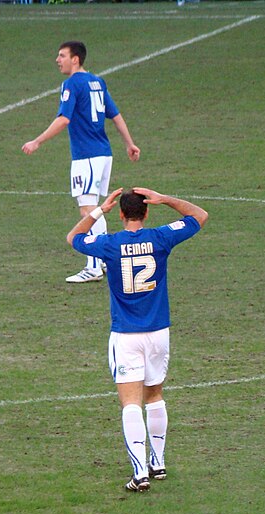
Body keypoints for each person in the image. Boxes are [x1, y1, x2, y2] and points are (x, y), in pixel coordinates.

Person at [67, 187, 207, 492]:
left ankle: (139, 471)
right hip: (159, 332)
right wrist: (166, 198)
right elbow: (199, 216)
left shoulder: (109, 244)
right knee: (154, 395)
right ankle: (157, 461)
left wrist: (98, 211)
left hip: (126, 335)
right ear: (146, 212)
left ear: (120, 213)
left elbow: (74, 238)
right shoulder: (160, 237)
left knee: (130, 403)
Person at [23, 40, 141, 284]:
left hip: (87, 156)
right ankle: (106, 261)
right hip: (103, 153)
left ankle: (94, 266)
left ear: (75, 59)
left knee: (88, 209)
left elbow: (64, 119)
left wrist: (37, 141)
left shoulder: (72, 84)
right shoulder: (97, 81)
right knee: (96, 208)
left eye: (62, 55)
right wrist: (129, 143)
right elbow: (115, 114)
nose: (58, 60)